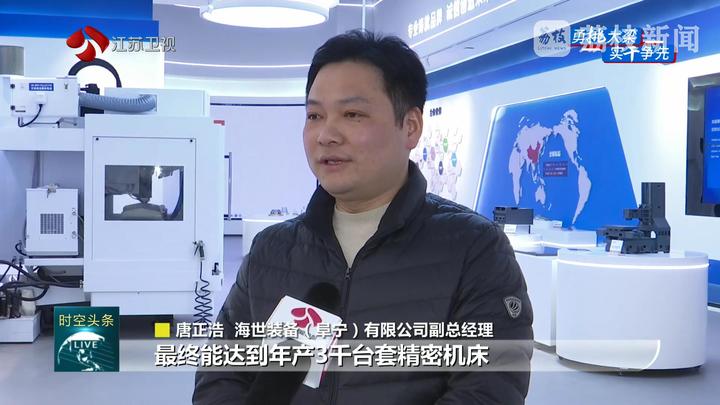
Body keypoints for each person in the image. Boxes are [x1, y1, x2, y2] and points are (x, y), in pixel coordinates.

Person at [193, 29, 533, 405]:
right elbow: (221, 372)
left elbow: (489, 389)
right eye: (314, 115)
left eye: (352, 114)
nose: (325, 135)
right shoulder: (272, 250)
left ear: (411, 126)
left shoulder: (474, 248)